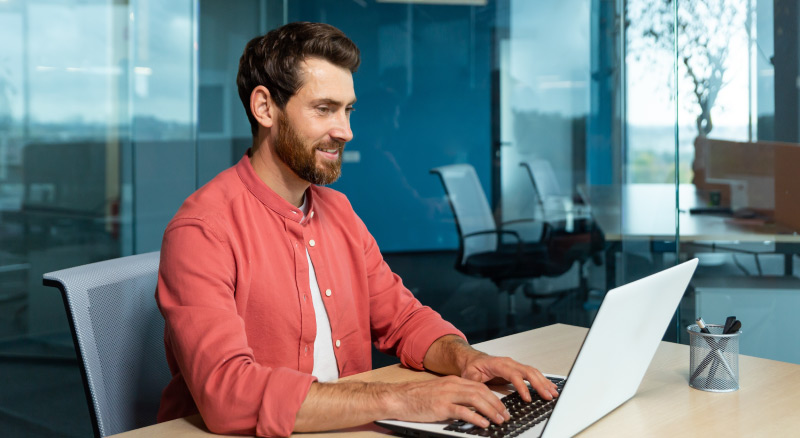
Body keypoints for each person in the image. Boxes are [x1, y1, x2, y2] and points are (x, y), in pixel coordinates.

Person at [155, 22, 558, 438]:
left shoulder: (338, 210)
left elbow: (402, 318)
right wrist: (401, 399)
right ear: (265, 108)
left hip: (346, 427)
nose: (345, 131)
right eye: (324, 109)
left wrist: (465, 359)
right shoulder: (202, 230)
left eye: (348, 110)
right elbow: (228, 394)